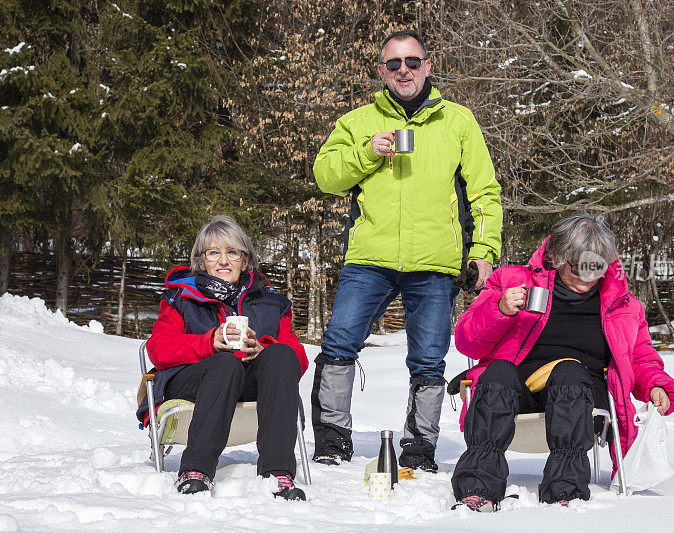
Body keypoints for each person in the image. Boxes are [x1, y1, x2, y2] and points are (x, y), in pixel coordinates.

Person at [311, 29, 502, 472]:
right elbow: (326, 176)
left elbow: (485, 192)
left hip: (434, 261)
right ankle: (332, 441)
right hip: (369, 258)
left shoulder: (457, 121)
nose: (404, 71)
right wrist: (366, 153)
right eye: (394, 64)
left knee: (429, 360)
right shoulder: (359, 122)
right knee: (339, 343)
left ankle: (419, 449)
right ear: (381, 71)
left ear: (427, 67)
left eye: (412, 62)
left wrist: (483, 251)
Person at [450, 213, 674, 511]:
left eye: (597, 266)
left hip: (582, 395)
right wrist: (499, 309)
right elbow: (467, 341)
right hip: (517, 393)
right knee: (498, 372)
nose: (588, 275)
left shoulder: (623, 305)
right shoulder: (511, 282)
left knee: (569, 372)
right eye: (579, 265)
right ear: (557, 257)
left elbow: (639, 357)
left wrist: (654, 384)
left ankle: (565, 489)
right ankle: (478, 488)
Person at [136, 215, 309, 499]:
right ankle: (196, 470)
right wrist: (209, 343)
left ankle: (277, 473)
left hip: (249, 381)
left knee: (281, 355)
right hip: (194, 381)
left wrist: (263, 350)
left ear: (246, 260)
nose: (224, 261)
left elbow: (297, 360)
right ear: (201, 261)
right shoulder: (181, 299)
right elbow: (159, 348)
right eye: (214, 253)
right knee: (226, 362)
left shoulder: (271, 304)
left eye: (233, 252)